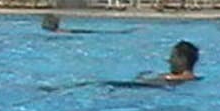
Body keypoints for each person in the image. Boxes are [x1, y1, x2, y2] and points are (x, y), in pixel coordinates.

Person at [40, 40, 199, 91]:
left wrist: (142, 78)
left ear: (182, 59)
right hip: (144, 87)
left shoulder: (173, 78)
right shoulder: (191, 79)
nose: (168, 61)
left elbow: (154, 81)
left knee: (98, 84)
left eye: (172, 57)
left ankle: (59, 89)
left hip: (139, 87)